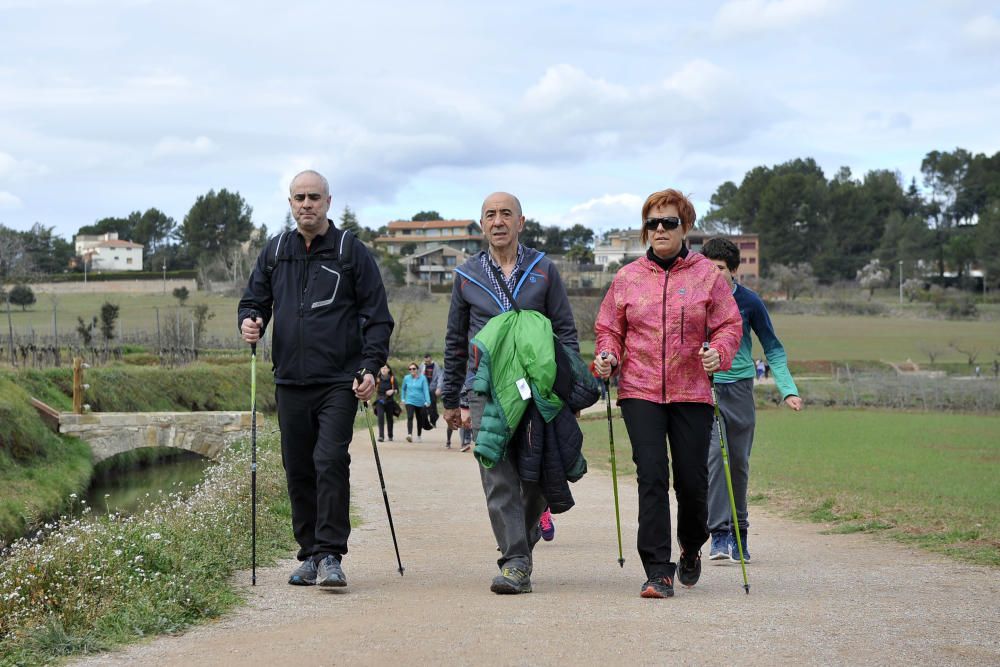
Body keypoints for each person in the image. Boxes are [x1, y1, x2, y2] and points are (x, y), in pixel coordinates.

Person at [238, 169, 393, 589]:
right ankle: (307, 553)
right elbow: (254, 302)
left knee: (328, 460)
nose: (306, 204)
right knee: (298, 468)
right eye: (298, 197)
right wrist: (250, 322)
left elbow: (377, 318)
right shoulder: (275, 252)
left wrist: (369, 365)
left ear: (327, 201)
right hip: (289, 380)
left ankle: (330, 555)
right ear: (290, 204)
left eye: (314, 197)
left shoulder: (350, 250)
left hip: (338, 381)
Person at [594, 188, 742, 599]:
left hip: (692, 390)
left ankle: (691, 546)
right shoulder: (626, 277)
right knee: (652, 475)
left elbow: (730, 326)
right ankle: (658, 570)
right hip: (639, 389)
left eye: (668, 222)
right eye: (652, 223)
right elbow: (609, 328)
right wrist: (607, 355)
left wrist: (720, 353)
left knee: (693, 482)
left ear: (685, 226)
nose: (659, 229)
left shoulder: (708, 277)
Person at [443, 191, 579, 595]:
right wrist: (452, 397)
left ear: (521, 222)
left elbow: (566, 331)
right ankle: (516, 561)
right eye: (490, 215)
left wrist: (569, 389)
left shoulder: (543, 270)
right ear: (482, 225)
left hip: (538, 390)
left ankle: (523, 540)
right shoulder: (467, 275)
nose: (498, 221)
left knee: (536, 475)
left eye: (506, 214)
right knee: (497, 475)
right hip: (487, 390)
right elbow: (455, 340)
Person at [701, 238, 803, 565]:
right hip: (705, 389)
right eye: (708, 267)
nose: (712, 274)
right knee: (716, 457)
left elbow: (772, 347)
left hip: (740, 388)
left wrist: (788, 388)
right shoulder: (694, 301)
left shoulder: (749, 302)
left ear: (733, 270)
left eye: (719, 268)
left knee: (739, 463)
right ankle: (717, 534)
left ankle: (739, 533)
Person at [401, 362, 431, 442]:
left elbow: (426, 390)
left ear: (417, 369)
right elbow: (403, 389)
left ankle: (419, 435)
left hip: (420, 402)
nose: (412, 370)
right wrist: (403, 399)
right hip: (409, 401)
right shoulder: (406, 378)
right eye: (410, 369)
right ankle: (409, 435)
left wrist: (428, 401)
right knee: (410, 416)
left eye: (414, 368)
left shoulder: (423, 378)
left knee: (419, 418)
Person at [374, 365, 399, 442]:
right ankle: (381, 436)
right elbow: (371, 389)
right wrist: (367, 398)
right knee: (380, 417)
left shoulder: (392, 379)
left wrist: (392, 391)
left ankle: (390, 435)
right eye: (382, 368)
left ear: (388, 370)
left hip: (389, 401)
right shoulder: (377, 379)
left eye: (385, 368)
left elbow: (397, 390)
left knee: (389, 419)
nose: (383, 369)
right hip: (379, 401)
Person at [420, 353, 443, 427]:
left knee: (432, 405)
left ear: (430, 358)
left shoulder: (436, 366)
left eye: (428, 360)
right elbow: (419, 375)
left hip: (433, 388)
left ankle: (433, 420)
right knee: (425, 405)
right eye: (425, 360)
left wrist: (439, 388)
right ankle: (427, 421)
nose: (426, 362)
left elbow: (440, 377)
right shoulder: (422, 365)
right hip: (424, 388)